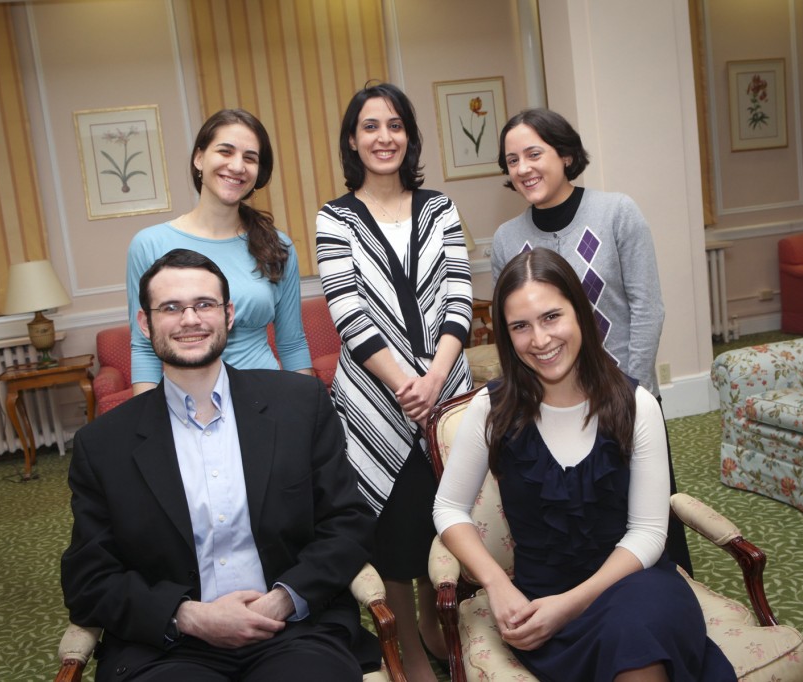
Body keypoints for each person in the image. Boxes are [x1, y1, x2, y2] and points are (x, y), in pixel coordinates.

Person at [62, 248, 378, 681]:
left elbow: (348, 523)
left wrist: (283, 599)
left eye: (204, 305)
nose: (190, 320)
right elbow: (88, 578)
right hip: (168, 647)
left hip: (293, 630)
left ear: (228, 315)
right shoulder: (103, 444)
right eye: (171, 307)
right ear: (145, 322)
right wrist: (188, 616)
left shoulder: (300, 406)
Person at [433, 248, 735, 682]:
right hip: (541, 604)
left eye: (552, 317)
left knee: (636, 638)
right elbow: (447, 508)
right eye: (521, 326)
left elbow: (650, 533)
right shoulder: (490, 408)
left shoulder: (637, 404)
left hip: (635, 586)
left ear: (581, 313)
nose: (540, 339)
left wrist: (571, 603)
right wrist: (498, 584)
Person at [490, 108, 693, 575]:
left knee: (647, 531)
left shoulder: (617, 212)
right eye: (512, 159)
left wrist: (629, 392)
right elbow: (515, 332)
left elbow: (648, 307)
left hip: (622, 401)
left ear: (564, 153)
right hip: (554, 413)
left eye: (534, 153)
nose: (523, 168)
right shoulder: (507, 239)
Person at [315, 82, 473, 682]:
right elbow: (347, 310)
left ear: (409, 135)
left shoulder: (440, 208)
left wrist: (435, 376)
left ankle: (441, 623)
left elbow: (458, 290)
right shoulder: (335, 217)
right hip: (376, 403)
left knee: (449, 513)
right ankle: (407, 642)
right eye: (370, 127)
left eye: (395, 125)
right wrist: (407, 382)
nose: (384, 137)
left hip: (447, 392)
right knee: (396, 535)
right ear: (353, 139)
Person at [126, 109, 311, 395]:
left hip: (268, 399)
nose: (237, 166)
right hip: (184, 405)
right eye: (225, 151)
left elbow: (292, 342)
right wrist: (146, 427)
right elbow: (143, 346)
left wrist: (307, 411)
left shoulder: (278, 246)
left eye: (249, 158)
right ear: (199, 158)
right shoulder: (149, 244)